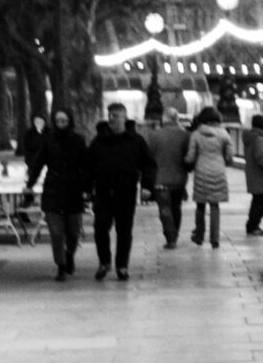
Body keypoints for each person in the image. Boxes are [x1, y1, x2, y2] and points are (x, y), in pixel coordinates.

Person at [87, 100, 157, 280]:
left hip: (125, 192)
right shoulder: (99, 141)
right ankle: (104, 262)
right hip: (103, 192)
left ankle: (122, 266)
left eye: (116, 116)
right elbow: (88, 165)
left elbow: (149, 165)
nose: (113, 120)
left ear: (125, 118)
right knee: (100, 228)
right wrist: (86, 188)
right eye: (110, 116)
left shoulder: (136, 141)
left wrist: (147, 186)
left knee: (124, 231)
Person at [23, 108, 89, 278]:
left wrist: (87, 189)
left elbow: (86, 166)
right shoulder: (48, 140)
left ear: (69, 122)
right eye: (58, 121)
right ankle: (60, 265)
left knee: (73, 232)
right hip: (53, 190)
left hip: (73, 191)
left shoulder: (78, 140)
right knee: (56, 232)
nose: (60, 124)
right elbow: (37, 163)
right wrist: (30, 184)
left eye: (64, 121)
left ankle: (69, 255)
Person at [185, 103, 236, 248]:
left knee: (200, 205)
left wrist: (187, 162)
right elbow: (230, 154)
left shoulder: (196, 134)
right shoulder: (224, 133)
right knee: (215, 206)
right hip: (218, 170)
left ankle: (199, 235)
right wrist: (224, 161)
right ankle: (215, 239)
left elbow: (190, 156)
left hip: (201, 171)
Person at [147, 106, 189, 248]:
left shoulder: (154, 135)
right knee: (176, 207)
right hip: (179, 179)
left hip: (160, 179)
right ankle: (175, 234)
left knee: (165, 209)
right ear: (177, 119)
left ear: (163, 120)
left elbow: (148, 157)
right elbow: (188, 158)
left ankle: (170, 237)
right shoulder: (185, 135)